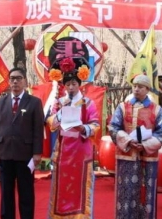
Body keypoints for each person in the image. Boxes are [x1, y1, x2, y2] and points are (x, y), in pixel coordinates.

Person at [46, 57, 100, 219]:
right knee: (62, 188)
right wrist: (61, 114)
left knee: (80, 188)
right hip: (63, 151)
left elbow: (96, 125)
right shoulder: (59, 103)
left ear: (79, 85)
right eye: (67, 84)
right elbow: (51, 123)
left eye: (74, 84)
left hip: (81, 151)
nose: (70, 87)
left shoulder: (88, 103)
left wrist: (84, 128)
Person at [109, 74, 162, 219]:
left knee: (146, 194)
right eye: (134, 86)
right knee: (126, 192)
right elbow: (113, 128)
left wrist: (146, 145)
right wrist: (128, 140)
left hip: (148, 158)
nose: (136, 89)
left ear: (147, 89)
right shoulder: (123, 107)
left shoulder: (156, 110)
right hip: (126, 156)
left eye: (140, 87)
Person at [0, 67, 44, 219]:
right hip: (5, 152)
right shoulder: (1, 101)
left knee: (26, 192)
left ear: (25, 82)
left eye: (19, 78)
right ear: (9, 82)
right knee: (6, 192)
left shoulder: (34, 102)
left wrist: (37, 152)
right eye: (12, 78)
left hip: (25, 154)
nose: (15, 81)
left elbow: (38, 130)